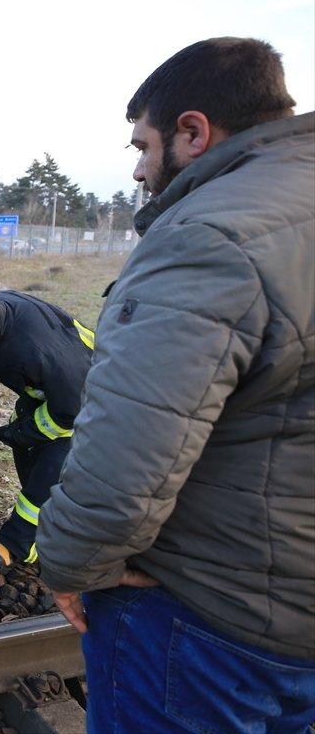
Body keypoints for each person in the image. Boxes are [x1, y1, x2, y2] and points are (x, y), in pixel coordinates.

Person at [37, 37, 315, 732]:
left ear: (193, 132)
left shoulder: (210, 236)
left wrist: (72, 561)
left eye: (142, 145)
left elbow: (134, 440)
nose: (136, 169)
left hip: (208, 615)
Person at [0, 288, 93, 572]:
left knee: (52, 466)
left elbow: (71, 410)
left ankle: (16, 545)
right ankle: (51, 532)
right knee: (29, 454)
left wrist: (26, 432)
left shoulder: (35, 353)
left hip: (92, 398)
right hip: (58, 391)